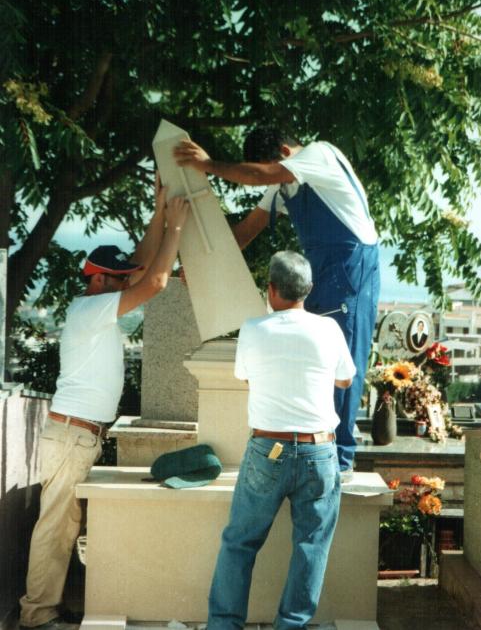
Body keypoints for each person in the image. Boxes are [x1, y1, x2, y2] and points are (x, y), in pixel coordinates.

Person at [19, 180, 189, 630]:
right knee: (55, 528)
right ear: (97, 278)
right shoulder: (90, 309)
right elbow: (153, 280)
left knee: (62, 527)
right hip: (74, 433)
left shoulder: (95, 304)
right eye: (116, 278)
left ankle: (47, 607)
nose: (124, 284)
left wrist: (157, 215)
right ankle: (37, 615)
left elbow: (140, 267)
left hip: (78, 433)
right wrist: (175, 227)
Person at [174, 127, 380, 475]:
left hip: (351, 269)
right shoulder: (282, 185)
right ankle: (310, 449)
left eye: (269, 168)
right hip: (322, 270)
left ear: (286, 152)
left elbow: (261, 175)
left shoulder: (319, 154)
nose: (269, 178)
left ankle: (340, 460)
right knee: (309, 358)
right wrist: (197, 265)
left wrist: (209, 164)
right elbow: (244, 232)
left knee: (341, 359)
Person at [207, 251, 355, 629]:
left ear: (271, 290)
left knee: (239, 543)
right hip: (319, 449)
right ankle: (291, 625)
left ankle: (223, 625)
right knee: (311, 547)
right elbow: (345, 380)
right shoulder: (329, 330)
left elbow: (245, 376)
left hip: (267, 448)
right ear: (308, 290)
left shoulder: (254, 329)